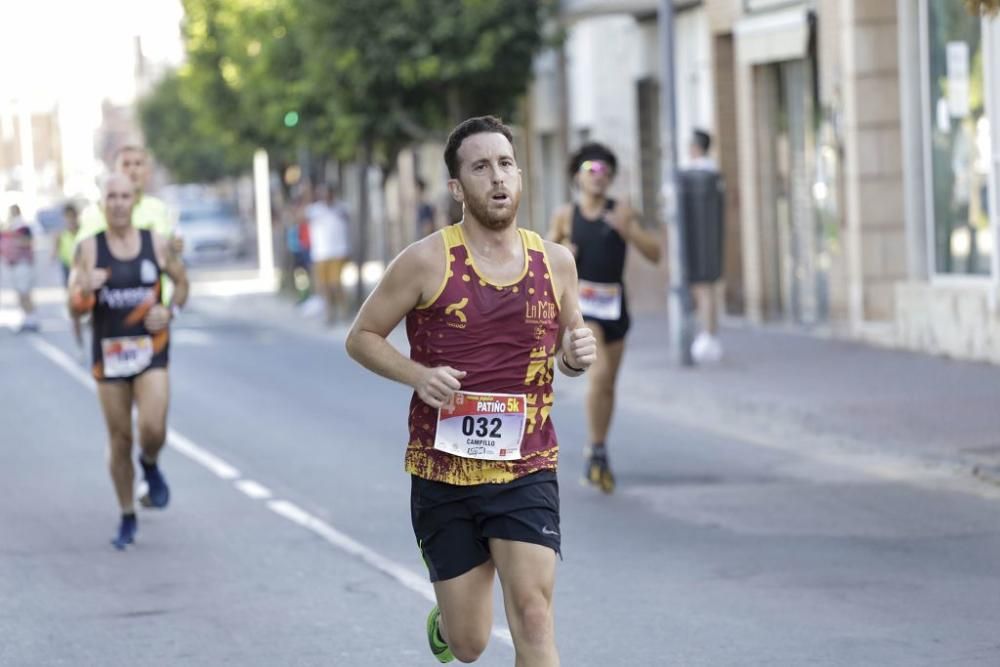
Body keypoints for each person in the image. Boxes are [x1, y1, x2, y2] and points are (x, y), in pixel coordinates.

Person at [346, 115, 596, 665]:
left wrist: (576, 358)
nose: (497, 177)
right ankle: (450, 619)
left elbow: (568, 346)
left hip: (526, 465)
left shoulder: (555, 263)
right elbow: (361, 337)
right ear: (458, 187)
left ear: (520, 176)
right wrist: (418, 375)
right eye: (481, 167)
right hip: (444, 471)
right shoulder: (424, 261)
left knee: (533, 614)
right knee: (469, 643)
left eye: (506, 164)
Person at [68, 174, 189, 550]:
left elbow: (182, 284)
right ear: (102, 204)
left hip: (151, 350)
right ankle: (126, 514)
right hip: (110, 354)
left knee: (152, 429)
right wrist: (85, 290)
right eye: (111, 197)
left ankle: (150, 465)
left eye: (125, 196)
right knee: (119, 439)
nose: (118, 203)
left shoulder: (155, 243)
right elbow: (72, 305)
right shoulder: (87, 249)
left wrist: (169, 312)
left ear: (134, 201)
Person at [547, 142, 661, 494]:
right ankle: (595, 451)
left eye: (606, 171)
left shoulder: (622, 211)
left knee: (610, 383)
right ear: (578, 176)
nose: (600, 177)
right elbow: (543, 259)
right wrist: (565, 251)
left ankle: (598, 447)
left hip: (616, 307)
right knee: (599, 376)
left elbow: (655, 254)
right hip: (585, 308)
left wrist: (628, 231)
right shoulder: (566, 215)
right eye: (592, 170)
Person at [77, 145, 181, 305]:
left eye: (138, 164)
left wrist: (174, 249)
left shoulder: (158, 208)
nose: (132, 170)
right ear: (114, 170)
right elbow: (81, 263)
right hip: (110, 308)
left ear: (147, 171)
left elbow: (169, 259)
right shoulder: (94, 213)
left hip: (155, 310)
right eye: (126, 164)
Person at [685, 129, 725, 363]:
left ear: (696, 147)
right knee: (708, 290)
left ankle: (707, 336)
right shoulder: (714, 171)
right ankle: (710, 335)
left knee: (703, 291)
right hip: (711, 243)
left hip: (697, 244)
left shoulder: (696, 172)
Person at [305, 184, 351, 324]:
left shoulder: (341, 208)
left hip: (337, 252)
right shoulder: (314, 210)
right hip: (321, 253)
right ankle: (329, 313)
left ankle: (343, 311)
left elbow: (347, 219)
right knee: (324, 286)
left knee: (336, 284)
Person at [1, 205, 39, 333]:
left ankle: (32, 319)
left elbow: (28, 241)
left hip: (23, 264)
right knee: (21, 294)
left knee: (25, 293)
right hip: (15, 264)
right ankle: (27, 319)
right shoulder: (11, 228)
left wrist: (13, 240)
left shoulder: (22, 227)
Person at [54, 203, 84, 352]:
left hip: (84, 270)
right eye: (67, 218)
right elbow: (55, 253)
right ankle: (79, 344)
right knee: (75, 311)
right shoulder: (61, 234)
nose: (70, 220)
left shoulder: (84, 232)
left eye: (73, 217)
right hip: (69, 271)